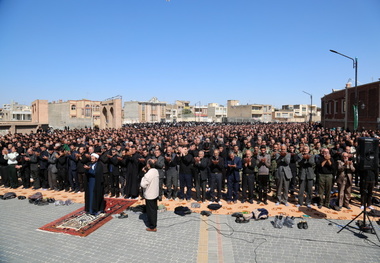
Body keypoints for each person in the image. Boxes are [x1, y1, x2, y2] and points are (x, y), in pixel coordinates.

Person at [140, 159, 159, 232]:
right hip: (155, 193)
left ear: (148, 165)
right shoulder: (156, 171)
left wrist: (143, 176)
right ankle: (154, 223)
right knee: (154, 210)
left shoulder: (148, 174)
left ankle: (152, 226)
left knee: (150, 211)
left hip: (150, 194)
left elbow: (143, 184)